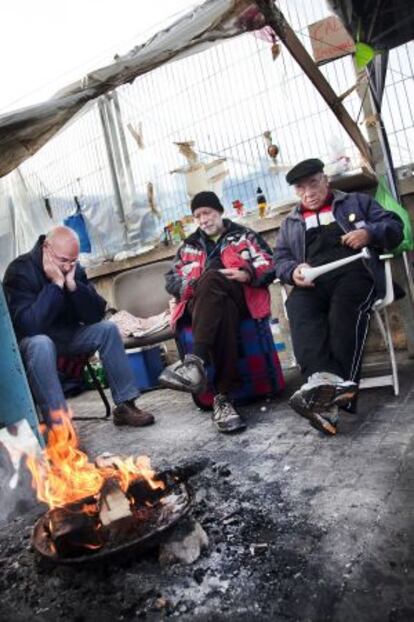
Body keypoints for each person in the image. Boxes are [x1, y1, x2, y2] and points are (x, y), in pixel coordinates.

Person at [274, 158, 403, 436]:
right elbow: (281, 259)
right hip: (314, 282)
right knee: (298, 308)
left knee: (343, 310)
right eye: (301, 187)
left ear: (326, 180)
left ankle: (326, 396)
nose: (308, 191)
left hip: (357, 273)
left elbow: (394, 227)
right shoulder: (291, 223)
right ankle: (327, 399)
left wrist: (368, 233)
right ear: (296, 192)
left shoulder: (356, 202)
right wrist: (292, 270)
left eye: (313, 183)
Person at [3, 226, 155, 428]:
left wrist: (74, 287)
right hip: (33, 344)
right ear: (46, 248)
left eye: (73, 261)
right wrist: (56, 285)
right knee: (41, 343)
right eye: (63, 261)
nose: (67, 267)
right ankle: (59, 425)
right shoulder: (20, 270)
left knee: (107, 330)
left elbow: (95, 315)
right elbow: (30, 326)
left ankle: (126, 405)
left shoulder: (73, 268)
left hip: (67, 336)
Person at [159, 191, 276, 433]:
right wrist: (190, 285)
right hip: (202, 304)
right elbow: (171, 280)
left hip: (241, 294)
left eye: (207, 213)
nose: (203, 219)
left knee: (213, 281)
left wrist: (247, 273)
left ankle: (196, 363)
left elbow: (270, 264)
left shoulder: (244, 236)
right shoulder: (187, 246)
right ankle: (223, 397)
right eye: (197, 215)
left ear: (220, 211)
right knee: (219, 303)